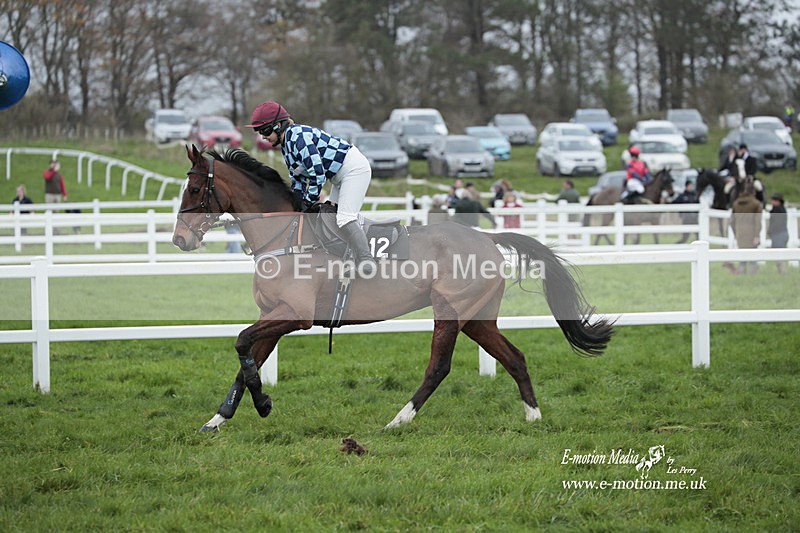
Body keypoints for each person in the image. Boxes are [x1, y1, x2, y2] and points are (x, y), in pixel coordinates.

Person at [245, 101, 376, 276]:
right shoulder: (286, 146)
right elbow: (297, 179)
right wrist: (297, 204)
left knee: (345, 218)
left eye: (265, 131)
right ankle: (345, 259)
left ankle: (367, 261)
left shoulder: (298, 137)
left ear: (278, 125)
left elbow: (318, 174)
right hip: (338, 175)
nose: (263, 137)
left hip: (354, 169)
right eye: (260, 132)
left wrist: (308, 201)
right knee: (328, 215)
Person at [728, 177, 762, 275]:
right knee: (753, 258)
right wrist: (757, 235)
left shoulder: (736, 204)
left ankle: (741, 274)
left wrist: (736, 233)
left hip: (740, 234)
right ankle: (752, 277)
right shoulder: (756, 204)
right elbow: (757, 221)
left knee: (742, 258)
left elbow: (731, 221)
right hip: (752, 234)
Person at [767, 192, 789, 274]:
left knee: (779, 256)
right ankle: (781, 271)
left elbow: (776, 224)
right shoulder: (780, 210)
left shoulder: (777, 210)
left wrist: (770, 231)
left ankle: (783, 272)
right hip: (780, 234)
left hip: (779, 235)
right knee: (778, 255)